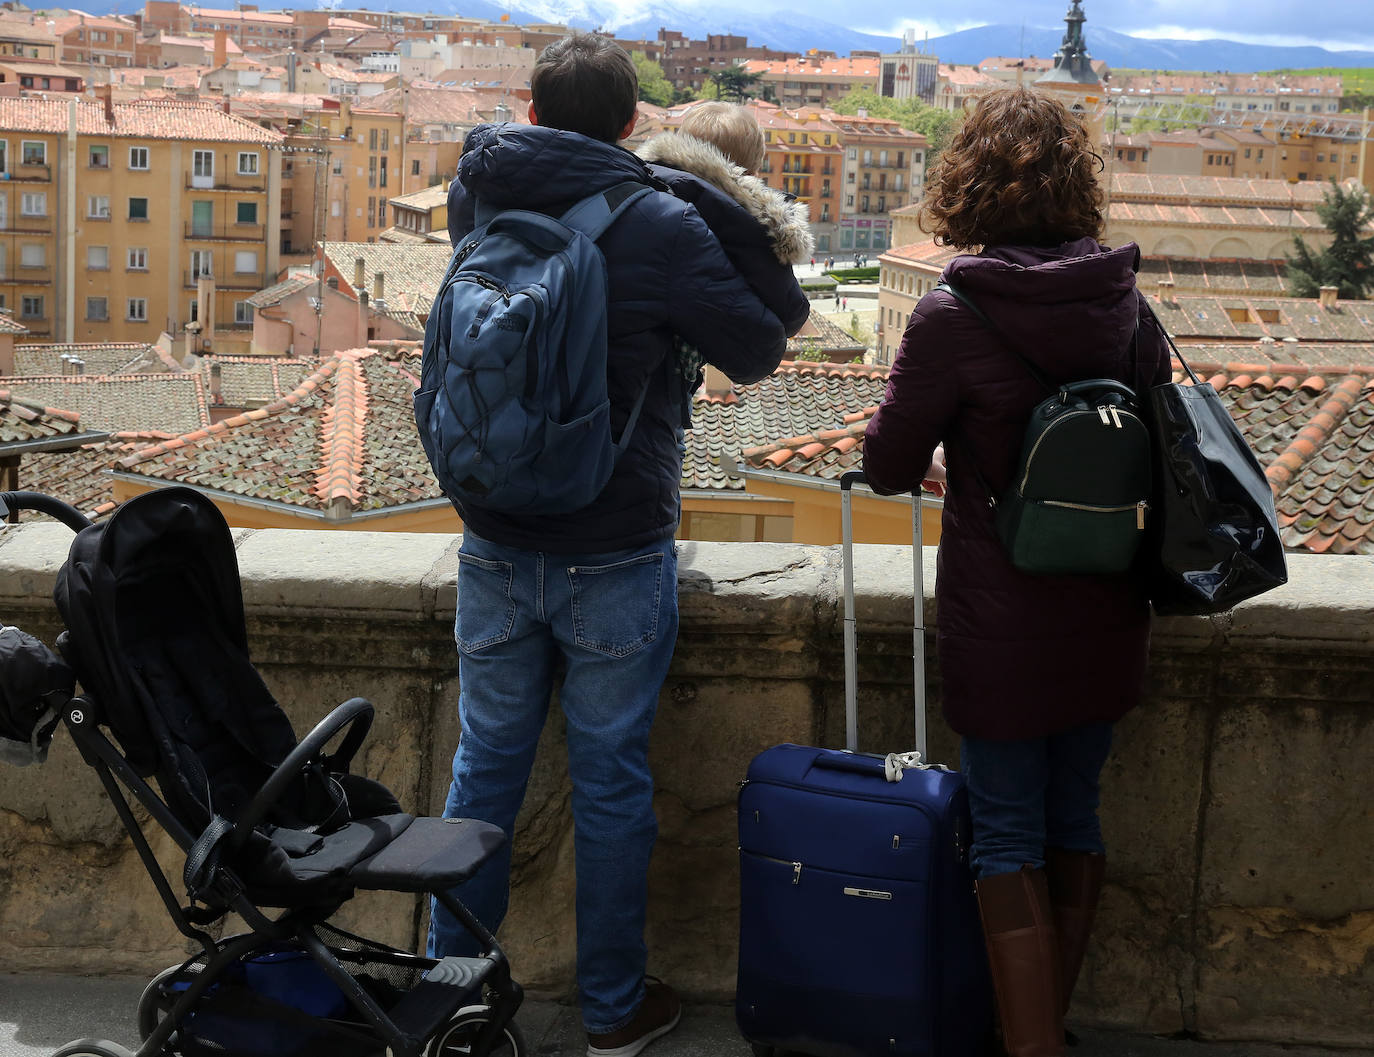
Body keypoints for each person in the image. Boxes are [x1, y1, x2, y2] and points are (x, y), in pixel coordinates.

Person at [430, 31, 788, 1057]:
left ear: (529, 113)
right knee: (613, 780)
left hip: (494, 534)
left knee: (483, 768)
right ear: (634, 124)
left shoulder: (476, 195)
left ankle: (449, 995)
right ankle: (614, 1006)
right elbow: (758, 348)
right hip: (619, 540)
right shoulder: (660, 219)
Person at [861, 87, 1172, 1057]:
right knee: (1074, 814)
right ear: (1080, 187)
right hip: (1112, 606)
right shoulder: (1125, 300)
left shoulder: (955, 313)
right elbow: (1165, 439)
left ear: (968, 188)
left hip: (1000, 618)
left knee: (1004, 834)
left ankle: (1025, 1044)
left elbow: (886, 466)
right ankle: (1044, 1033)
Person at [635, 100, 811, 416]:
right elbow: (791, 314)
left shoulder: (640, 183)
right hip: (653, 398)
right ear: (750, 173)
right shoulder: (741, 225)